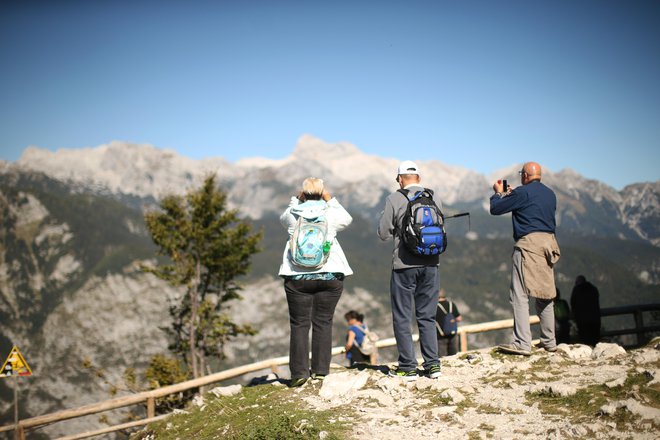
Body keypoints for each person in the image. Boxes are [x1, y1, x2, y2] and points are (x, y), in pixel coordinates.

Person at [279, 177, 353, 387]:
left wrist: (296, 200)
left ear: (303, 193)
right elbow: (347, 219)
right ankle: (320, 371)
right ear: (322, 192)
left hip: (297, 277)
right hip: (329, 275)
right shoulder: (330, 212)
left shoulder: (293, 214)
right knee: (323, 321)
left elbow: (283, 218)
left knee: (299, 324)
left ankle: (299, 373)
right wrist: (329, 199)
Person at [378, 160, 442, 380]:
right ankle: (433, 365)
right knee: (427, 316)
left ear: (399, 179)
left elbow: (383, 233)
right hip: (431, 263)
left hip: (404, 265)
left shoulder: (394, 198)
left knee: (403, 316)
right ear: (419, 179)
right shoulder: (433, 197)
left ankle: (408, 366)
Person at [490, 162, 560, 356]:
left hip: (528, 246)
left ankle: (522, 343)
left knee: (519, 295)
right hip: (549, 246)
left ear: (526, 176)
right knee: (545, 293)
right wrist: (514, 194)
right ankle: (549, 341)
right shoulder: (550, 194)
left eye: (522, 174)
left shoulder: (523, 192)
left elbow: (495, 208)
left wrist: (499, 192)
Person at [570, 275, 601, 346]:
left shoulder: (576, 290)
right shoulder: (593, 288)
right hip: (595, 318)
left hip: (582, 320)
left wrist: (574, 315)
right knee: (595, 339)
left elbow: (573, 303)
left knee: (586, 340)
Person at [435, 289, 462, 357]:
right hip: (453, 334)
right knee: (454, 356)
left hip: (441, 336)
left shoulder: (434, 307)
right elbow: (459, 318)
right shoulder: (451, 304)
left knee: (442, 358)